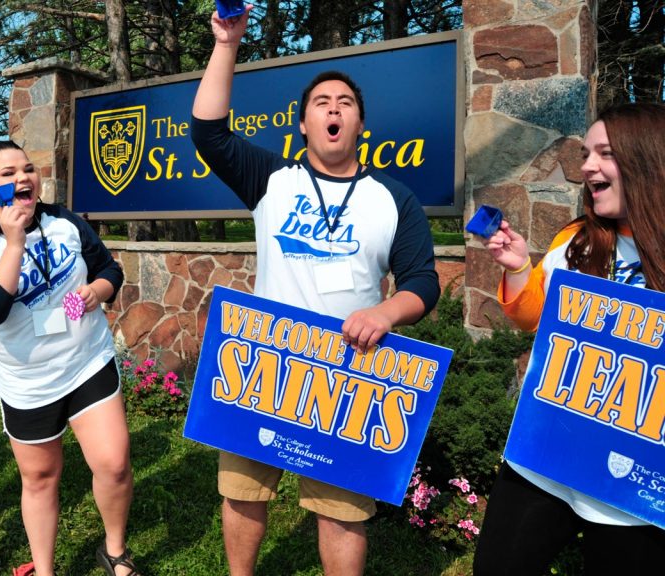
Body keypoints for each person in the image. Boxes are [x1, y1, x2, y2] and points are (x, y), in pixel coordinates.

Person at [190, 7, 440, 576]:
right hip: (262, 364)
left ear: (359, 126)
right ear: (303, 125)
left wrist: (386, 310)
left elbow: (423, 282)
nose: (333, 109)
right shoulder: (271, 181)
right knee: (243, 491)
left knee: (341, 511)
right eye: (321, 104)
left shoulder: (394, 199)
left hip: (348, 372)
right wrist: (227, 43)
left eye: (345, 104)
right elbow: (208, 131)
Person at [474, 102, 665, 574]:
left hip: (634, 482)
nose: (586, 167)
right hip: (545, 457)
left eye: (604, 153)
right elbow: (535, 319)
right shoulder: (577, 238)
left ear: (645, 159)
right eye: (586, 154)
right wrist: (519, 268)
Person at [0, 141, 138, 576]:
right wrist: (14, 242)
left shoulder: (64, 221)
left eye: (29, 169)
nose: (23, 178)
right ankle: (46, 570)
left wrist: (97, 291)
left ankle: (114, 553)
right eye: (8, 173)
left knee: (113, 463)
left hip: (86, 360)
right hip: (28, 382)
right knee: (40, 479)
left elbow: (110, 270)